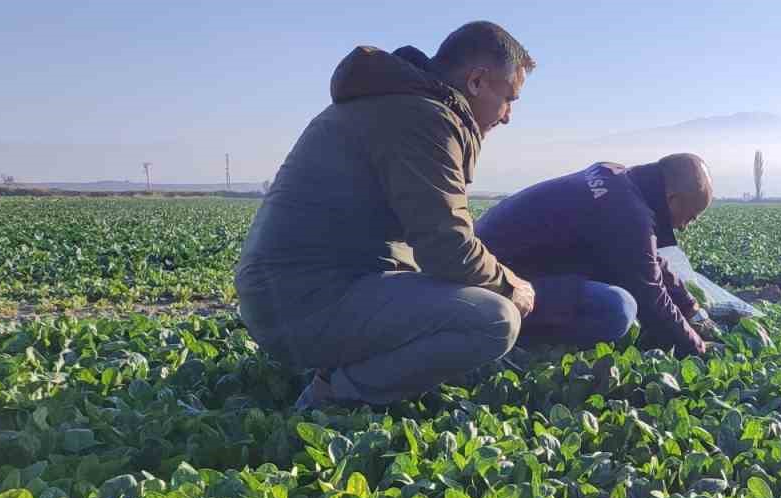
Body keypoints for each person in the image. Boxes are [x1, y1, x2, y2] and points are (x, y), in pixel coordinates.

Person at [233, 21, 538, 410]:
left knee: (461, 298)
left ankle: (342, 364)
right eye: (509, 97)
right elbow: (448, 249)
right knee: (493, 318)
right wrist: (512, 287)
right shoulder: (425, 118)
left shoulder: (398, 102)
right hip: (301, 304)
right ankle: (334, 394)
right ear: (477, 81)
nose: (508, 115)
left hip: (292, 293)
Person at [474, 154, 720, 356]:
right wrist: (697, 348)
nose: (685, 226)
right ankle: (515, 338)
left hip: (490, 259)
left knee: (614, 282)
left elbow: (647, 258)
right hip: (495, 284)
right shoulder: (628, 214)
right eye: (691, 216)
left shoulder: (617, 178)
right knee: (617, 308)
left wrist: (691, 309)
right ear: (673, 200)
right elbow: (650, 293)